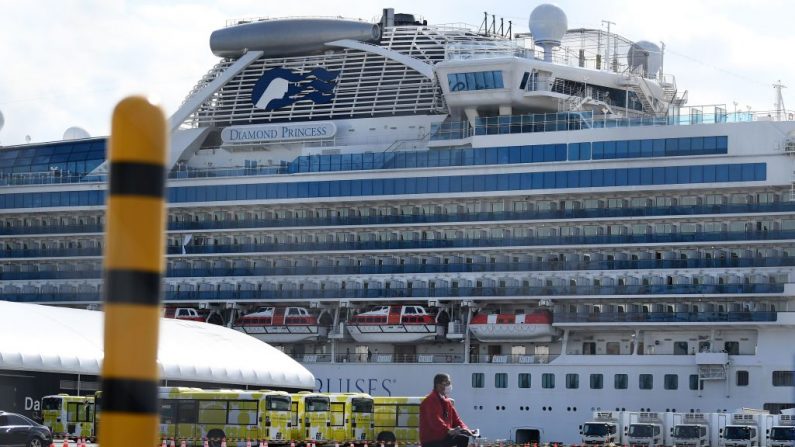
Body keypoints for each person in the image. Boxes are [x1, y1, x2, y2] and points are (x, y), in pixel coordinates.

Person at [420, 373, 473, 447]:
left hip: (443, 436)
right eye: (447, 383)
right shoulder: (430, 401)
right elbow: (435, 421)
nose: (449, 385)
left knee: (464, 437)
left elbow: (456, 419)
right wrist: (448, 430)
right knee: (461, 438)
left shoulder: (447, 401)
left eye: (450, 383)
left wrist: (465, 429)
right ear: (438, 385)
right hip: (431, 440)